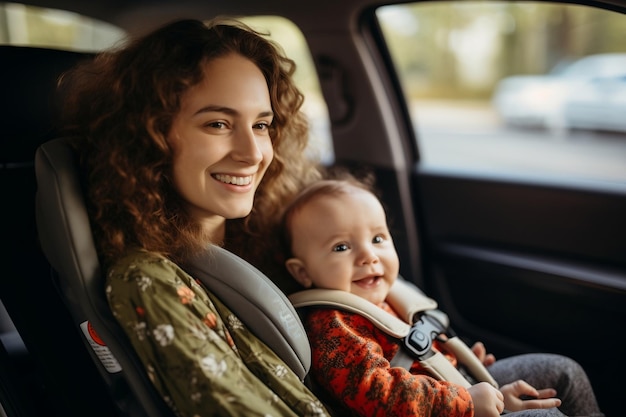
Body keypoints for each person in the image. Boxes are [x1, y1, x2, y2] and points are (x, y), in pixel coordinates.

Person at [57, 18, 328, 417]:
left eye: (261, 125)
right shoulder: (147, 281)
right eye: (217, 124)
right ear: (148, 136)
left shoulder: (280, 232)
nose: (253, 153)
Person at [280, 175, 604, 417]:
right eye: (341, 247)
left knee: (563, 371)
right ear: (302, 272)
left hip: (454, 388)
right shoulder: (333, 326)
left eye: (378, 238)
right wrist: (466, 402)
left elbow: (412, 349)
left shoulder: (385, 294)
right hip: (444, 407)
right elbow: (378, 393)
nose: (369, 256)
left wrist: (459, 363)